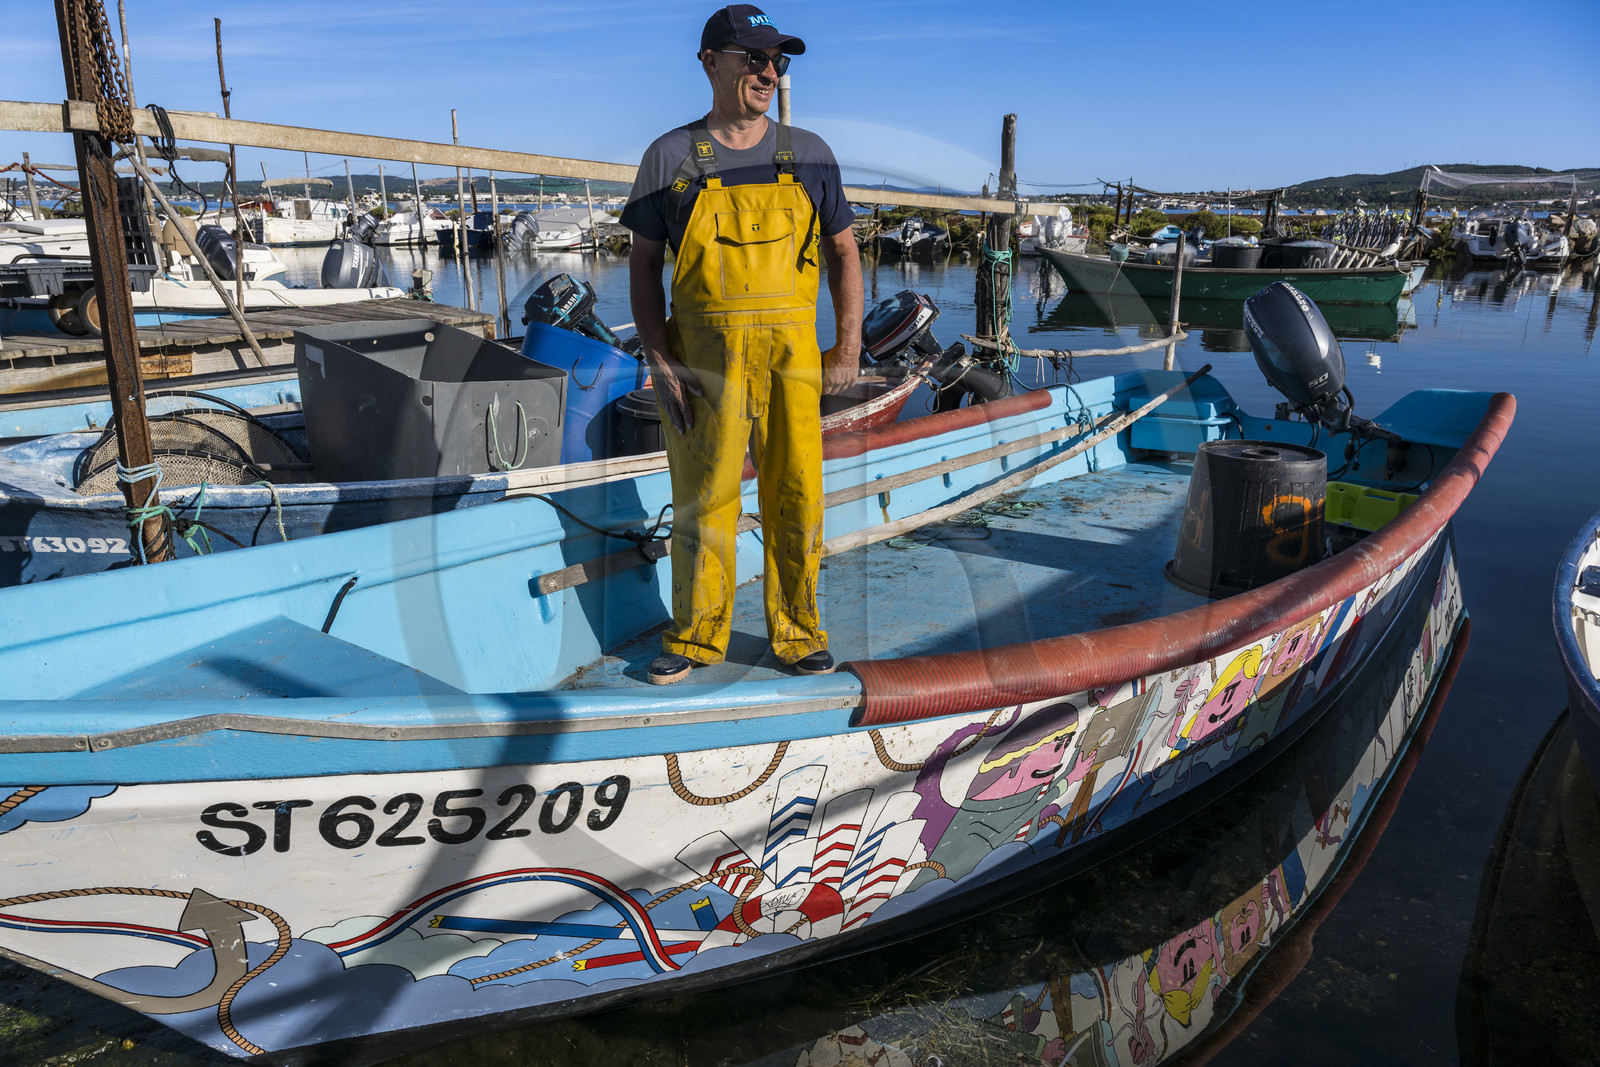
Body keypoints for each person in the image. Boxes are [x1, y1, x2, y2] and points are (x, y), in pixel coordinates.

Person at [622, 4, 862, 685]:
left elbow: (845, 253)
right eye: (753, 57)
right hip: (703, 363)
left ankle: (800, 634)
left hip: (791, 361)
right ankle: (695, 638)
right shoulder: (669, 156)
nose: (768, 70)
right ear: (710, 63)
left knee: (798, 494)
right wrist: (658, 356)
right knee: (704, 499)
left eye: (777, 59)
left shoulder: (810, 152)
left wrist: (846, 348)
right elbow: (642, 264)